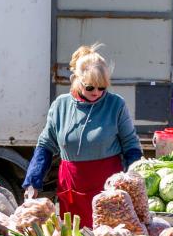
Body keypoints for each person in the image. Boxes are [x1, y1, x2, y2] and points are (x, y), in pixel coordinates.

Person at [23, 44, 142, 225]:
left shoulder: (116, 104)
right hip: (71, 188)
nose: (96, 93)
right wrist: (33, 181)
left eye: (102, 88)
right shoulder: (61, 105)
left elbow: (131, 146)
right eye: (90, 87)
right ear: (76, 80)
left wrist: (137, 184)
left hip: (107, 190)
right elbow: (45, 145)